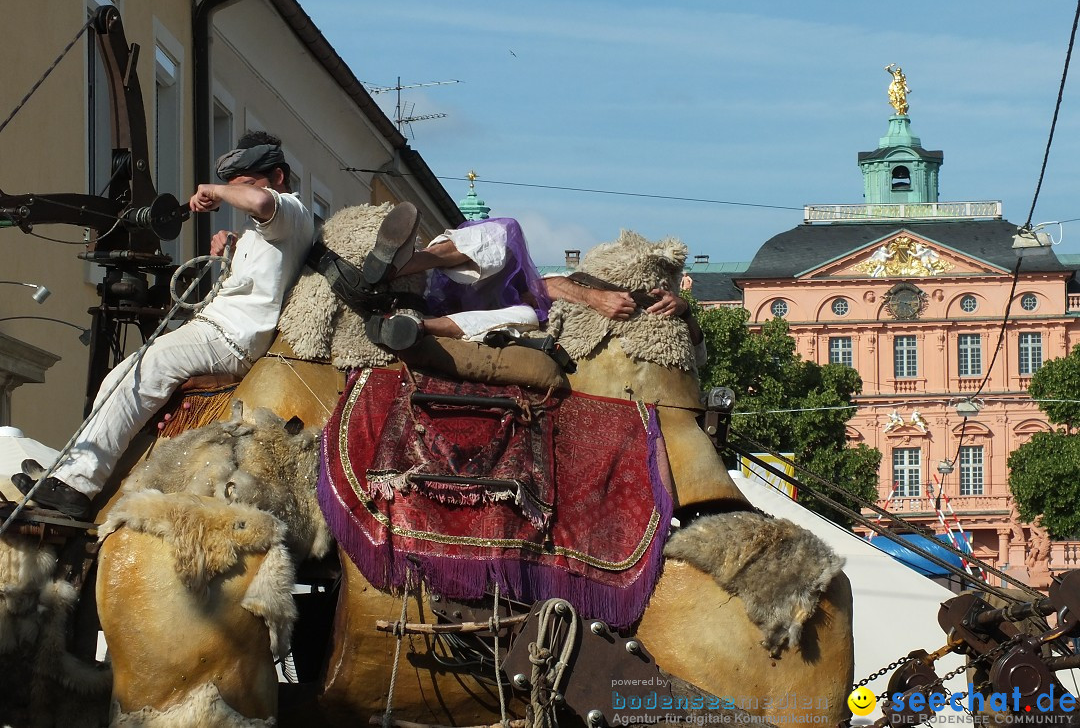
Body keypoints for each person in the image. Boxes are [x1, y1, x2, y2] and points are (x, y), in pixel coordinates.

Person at [12, 131, 315, 518]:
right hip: (215, 330)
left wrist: (216, 190)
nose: (237, 195)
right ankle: (74, 472)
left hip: (227, 338)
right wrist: (230, 254)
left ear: (276, 176)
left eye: (245, 182)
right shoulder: (268, 229)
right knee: (118, 378)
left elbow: (260, 202)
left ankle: (77, 485)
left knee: (144, 372)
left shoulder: (290, 209)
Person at [363, 211, 701, 354]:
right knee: (504, 230)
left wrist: (683, 308)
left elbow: (698, 355)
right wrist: (596, 297)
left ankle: (410, 327)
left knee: (525, 316)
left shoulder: (662, 314)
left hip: (481, 318)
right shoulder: (593, 280)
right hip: (460, 277)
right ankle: (404, 262)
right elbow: (550, 284)